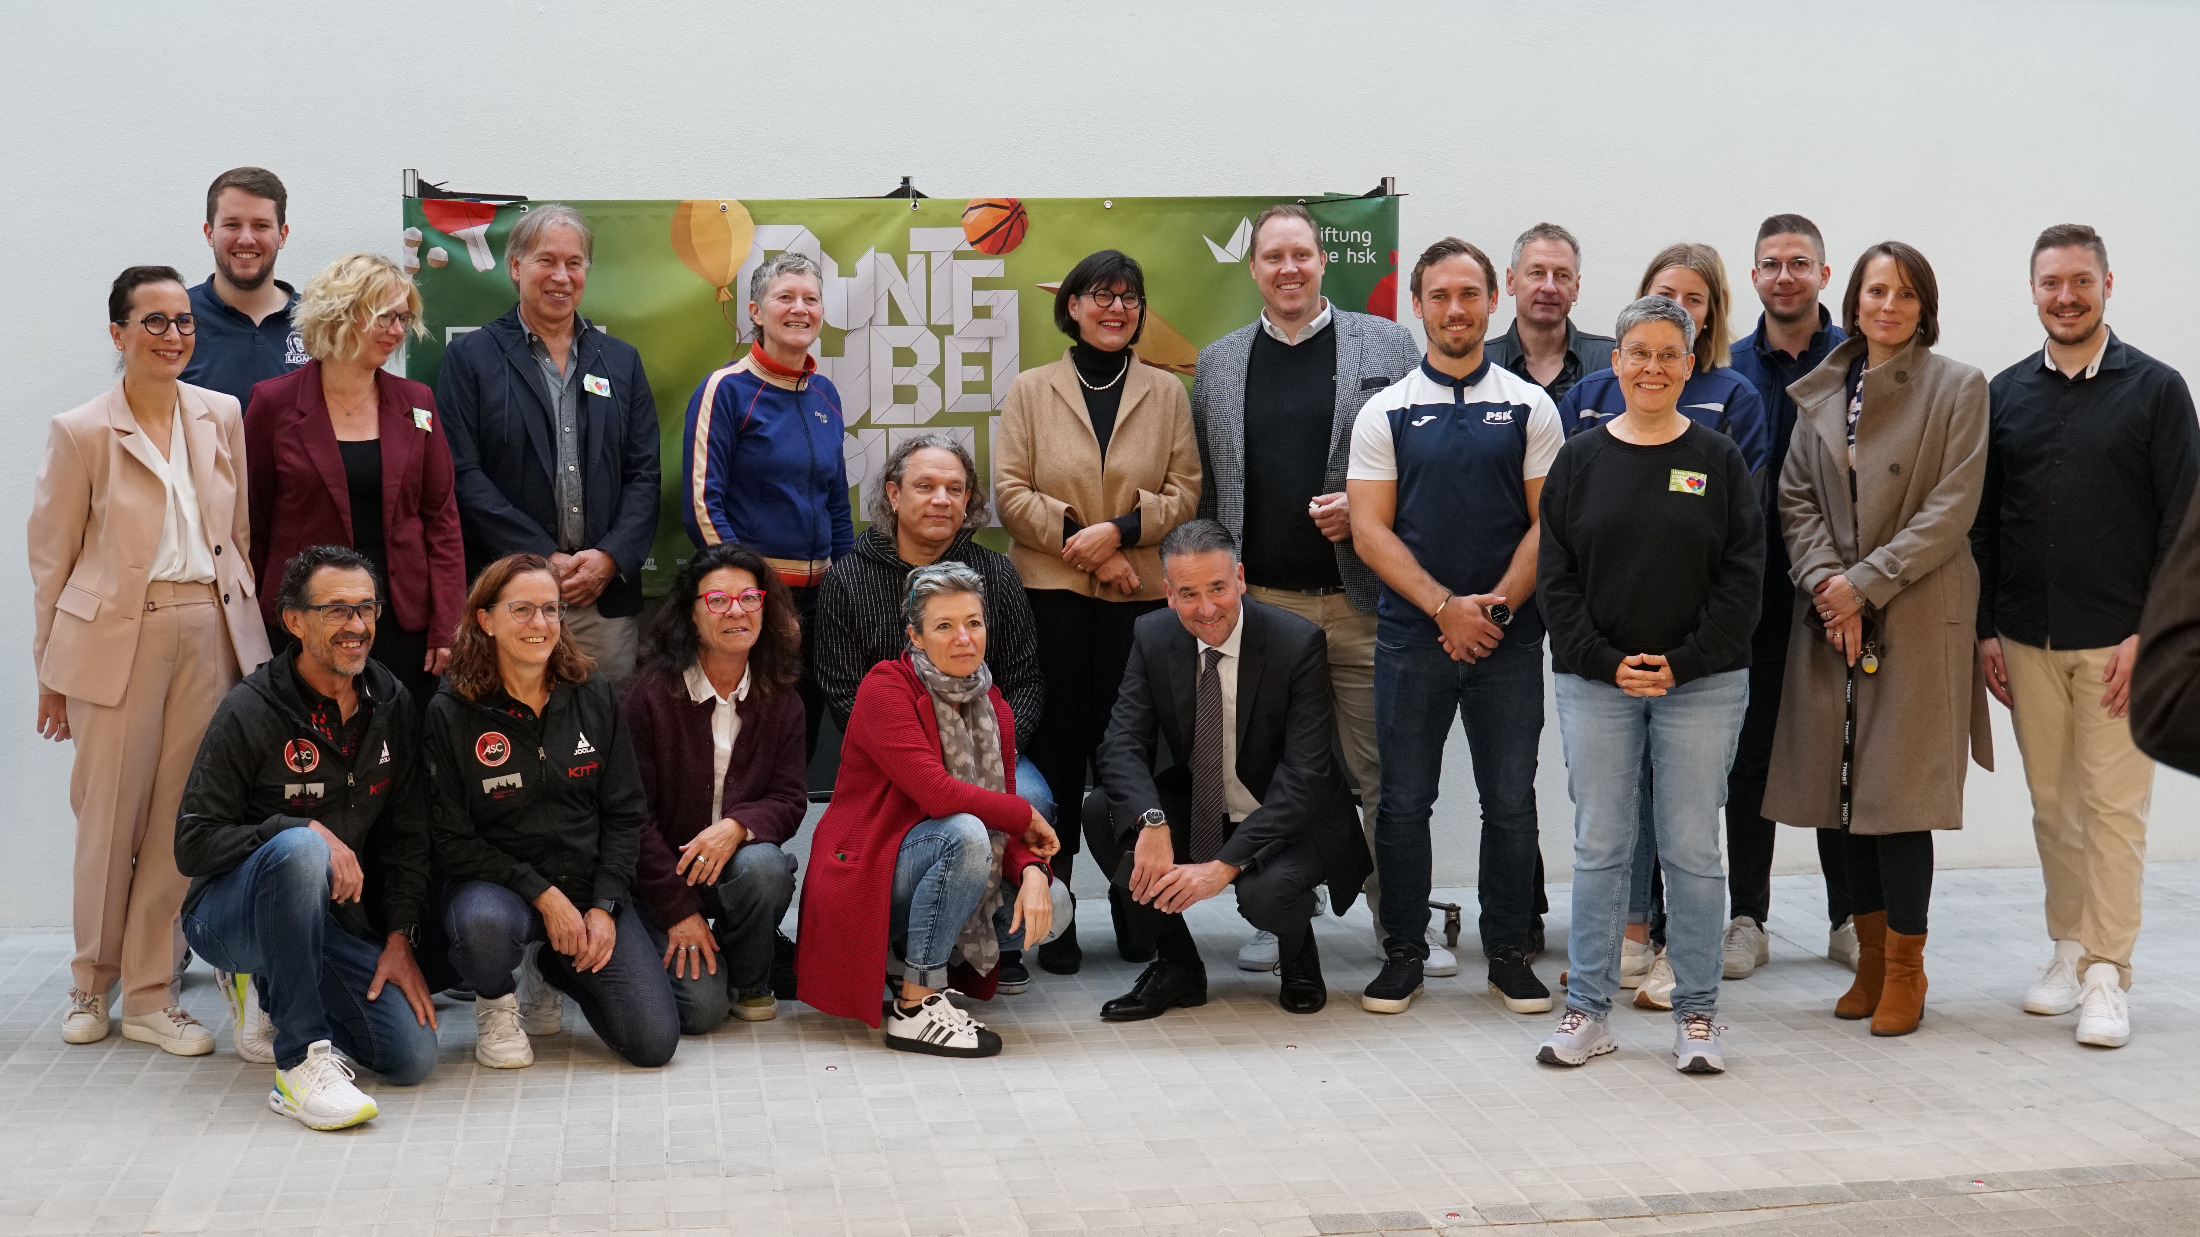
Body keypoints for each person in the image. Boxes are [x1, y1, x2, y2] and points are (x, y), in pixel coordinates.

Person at [30, 266, 273, 1054]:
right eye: (154, 322)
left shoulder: (222, 413)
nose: (173, 335)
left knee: (180, 822)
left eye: (182, 322)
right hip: (114, 640)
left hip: (207, 627)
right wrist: (51, 677)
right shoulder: (82, 429)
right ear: (118, 334)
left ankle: (148, 993)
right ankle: (88, 982)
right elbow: (51, 563)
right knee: (108, 819)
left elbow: (235, 540)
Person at [1972, 224, 2197, 1050]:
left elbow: (2184, 523)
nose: (2065, 295)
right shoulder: (2004, 394)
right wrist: (1988, 631)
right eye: (2050, 282)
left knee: (2114, 809)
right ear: (2032, 290)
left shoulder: (2158, 390)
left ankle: (2108, 970)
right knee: (2054, 805)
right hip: (2026, 640)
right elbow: (1985, 524)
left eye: (2080, 280)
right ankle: (2067, 946)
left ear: (2109, 283)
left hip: (2122, 647)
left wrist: (2155, 635)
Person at [1764, 241, 1992, 1039]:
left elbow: (1953, 506)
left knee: (1898, 796)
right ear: (1853, 300)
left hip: (1919, 606)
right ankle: (1867, 958)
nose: (1886, 305)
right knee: (1841, 789)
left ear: (1924, 305)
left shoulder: (1959, 387)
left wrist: (1863, 583)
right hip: (1833, 615)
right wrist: (1831, 585)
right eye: (1874, 291)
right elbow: (1795, 496)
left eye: (1902, 294)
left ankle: (1906, 967)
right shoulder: (1823, 388)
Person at [1534, 296, 1764, 1074]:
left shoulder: (1719, 459)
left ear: (1691, 364)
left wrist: (1685, 661)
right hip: (1595, 683)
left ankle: (1697, 1015)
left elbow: (1742, 580)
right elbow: (1556, 581)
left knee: (1693, 847)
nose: (1653, 367)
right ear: (1617, 362)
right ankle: (1588, 1011)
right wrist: (1606, 661)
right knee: (1600, 846)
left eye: (1670, 354)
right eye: (1639, 352)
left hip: (1702, 683)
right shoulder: (1580, 459)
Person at [1190, 203, 1418, 974]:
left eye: (1301, 254)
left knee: (1382, 772)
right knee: (1266, 772)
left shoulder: (1387, 344)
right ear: (1252, 269)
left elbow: (1422, 464)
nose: (1288, 268)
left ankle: (1401, 929)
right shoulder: (1219, 362)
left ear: (1324, 262)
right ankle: (1279, 908)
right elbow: (1208, 490)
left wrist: (1364, 511)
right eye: (1272, 256)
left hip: (1360, 601)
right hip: (1266, 609)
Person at [1347, 238, 1561, 1018]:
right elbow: (1371, 532)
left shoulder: (1531, 405)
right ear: (1418, 305)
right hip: (1414, 638)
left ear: (1490, 302)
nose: (1456, 310)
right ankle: (1403, 950)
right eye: (1440, 296)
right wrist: (1445, 608)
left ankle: (1509, 953)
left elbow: (1550, 525)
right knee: (1403, 801)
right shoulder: (1386, 409)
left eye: (1469, 294)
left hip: (1508, 639)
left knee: (1510, 800)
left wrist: (1495, 609)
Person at [175, 547, 454, 1129]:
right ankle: (300, 1062)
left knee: (411, 1056)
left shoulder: (390, 701)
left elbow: (408, 834)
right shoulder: (251, 709)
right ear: (294, 621)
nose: (357, 626)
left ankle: (278, 987)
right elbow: (193, 843)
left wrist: (400, 937)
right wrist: (298, 828)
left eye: (366, 609)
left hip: (326, 921)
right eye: (336, 611)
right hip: (227, 917)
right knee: (302, 848)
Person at [996, 249, 1200, 972]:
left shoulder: (1168, 393)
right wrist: (1089, 546)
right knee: (1052, 757)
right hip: (1049, 600)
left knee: (1129, 759)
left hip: (1140, 603)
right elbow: (1011, 495)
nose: (1117, 308)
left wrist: (1121, 535)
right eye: (1101, 295)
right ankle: (1053, 914)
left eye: (1130, 297)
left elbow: (1185, 492)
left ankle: (1136, 906)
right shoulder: (1030, 389)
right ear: (1073, 305)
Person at [1085, 520, 1373, 1019]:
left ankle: (1297, 948)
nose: (1207, 607)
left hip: (1286, 817)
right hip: (1201, 805)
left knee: (1264, 896)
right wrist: (1151, 822)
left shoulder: (1296, 641)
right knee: (1102, 810)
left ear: (1239, 577)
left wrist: (1223, 869)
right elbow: (1122, 742)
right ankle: (1178, 967)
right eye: (1189, 593)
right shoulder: (1153, 635)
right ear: (1169, 595)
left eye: (1218, 587)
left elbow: (1304, 778)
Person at [813, 434, 1059, 982]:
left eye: (955, 489)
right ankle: (913, 948)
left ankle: (989, 948)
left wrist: (984, 747)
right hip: (891, 764)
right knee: (972, 819)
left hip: (985, 748)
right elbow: (843, 694)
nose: (941, 499)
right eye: (925, 486)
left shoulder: (995, 574)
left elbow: (1024, 682)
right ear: (894, 496)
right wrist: (930, 761)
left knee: (1034, 793)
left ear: (970, 502)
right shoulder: (848, 577)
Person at [795, 564, 1065, 1058]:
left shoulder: (993, 706)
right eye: (944, 626)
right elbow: (940, 797)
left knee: (1058, 900)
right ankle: (916, 1006)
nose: (964, 638)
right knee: (962, 833)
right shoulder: (886, 687)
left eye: (974, 622)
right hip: (868, 869)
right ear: (915, 636)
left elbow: (996, 817)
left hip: (928, 860)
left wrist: (1032, 870)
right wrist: (1023, 814)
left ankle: (906, 964)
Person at [427, 554, 677, 1069]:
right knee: (484, 924)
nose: (539, 624)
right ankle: (496, 1002)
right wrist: (543, 895)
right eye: (521, 610)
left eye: (550, 610)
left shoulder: (593, 692)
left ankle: (554, 965)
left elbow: (625, 811)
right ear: (485, 619)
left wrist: (606, 905)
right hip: (498, 889)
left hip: (588, 888)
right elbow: (451, 838)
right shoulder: (451, 710)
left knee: (653, 1043)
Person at [437, 204, 661, 691]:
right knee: (508, 726)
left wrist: (610, 558)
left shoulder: (620, 362)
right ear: (516, 266)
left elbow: (644, 474)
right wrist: (541, 558)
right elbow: (462, 474)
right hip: (509, 595)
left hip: (601, 600)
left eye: (574, 263)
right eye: (546, 260)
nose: (561, 276)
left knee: (602, 733)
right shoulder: (471, 359)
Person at [244, 252, 464, 713]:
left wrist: (447, 624)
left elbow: (440, 521)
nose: (398, 331)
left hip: (401, 623)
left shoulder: (417, 402)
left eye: (404, 318)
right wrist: (257, 624)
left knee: (402, 758)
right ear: (340, 312)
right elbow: (252, 527)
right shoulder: (273, 404)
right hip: (309, 625)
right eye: (384, 316)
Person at [1725, 214, 1858, 976]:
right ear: (1753, 278)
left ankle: (1847, 915)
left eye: (1799, 262)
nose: (1785, 275)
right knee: (1751, 761)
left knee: (1838, 754)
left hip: (1837, 596)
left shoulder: (1858, 361)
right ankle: (1749, 915)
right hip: (1752, 600)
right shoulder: (1731, 368)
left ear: (1822, 275)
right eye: (1771, 263)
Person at [625, 543, 810, 1032]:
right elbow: (630, 818)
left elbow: (791, 800)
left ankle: (751, 981)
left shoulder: (781, 694)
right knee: (701, 1013)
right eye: (718, 601)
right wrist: (677, 911)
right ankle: (693, 961)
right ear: (691, 612)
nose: (736, 611)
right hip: (657, 878)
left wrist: (739, 826)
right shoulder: (649, 695)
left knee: (766, 866)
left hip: (731, 870)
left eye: (750, 598)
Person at [681, 251, 853, 758]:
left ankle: (779, 837)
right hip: (749, 606)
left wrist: (843, 589)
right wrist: (758, 596)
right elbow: (701, 507)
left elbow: (838, 504)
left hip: (821, 604)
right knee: (744, 745)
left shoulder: (825, 394)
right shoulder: (727, 389)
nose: (800, 309)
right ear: (755, 311)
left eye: (811, 299)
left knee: (798, 744)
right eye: (785, 297)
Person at [180, 167, 304, 411]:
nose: (246, 239)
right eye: (232, 224)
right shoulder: (176, 321)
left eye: (261, 225)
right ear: (209, 234)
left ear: (282, 235)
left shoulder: (321, 323)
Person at [1484, 223, 1617, 403]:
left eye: (1562, 275)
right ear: (1511, 281)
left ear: (1576, 288)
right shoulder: (1482, 364)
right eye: (1537, 273)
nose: (1549, 287)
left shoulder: (1610, 362)